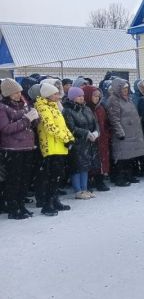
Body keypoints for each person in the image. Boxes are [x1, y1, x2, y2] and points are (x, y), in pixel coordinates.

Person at [0, 79, 39, 219]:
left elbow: (31, 125)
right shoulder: (2, 108)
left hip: (27, 147)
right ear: (7, 94)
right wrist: (26, 120)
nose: (18, 94)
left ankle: (21, 206)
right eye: (15, 92)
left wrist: (35, 118)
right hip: (12, 149)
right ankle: (13, 208)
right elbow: (6, 128)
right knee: (14, 180)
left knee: (24, 179)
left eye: (19, 91)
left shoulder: (24, 105)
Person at [35, 82, 74, 216]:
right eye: (55, 94)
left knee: (58, 176)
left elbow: (62, 125)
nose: (58, 96)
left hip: (59, 145)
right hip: (51, 147)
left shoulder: (55, 107)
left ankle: (55, 200)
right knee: (51, 176)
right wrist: (65, 138)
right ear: (48, 95)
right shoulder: (43, 107)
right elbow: (50, 127)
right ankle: (47, 204)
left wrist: (70, 137)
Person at [107, 78, 144, 186]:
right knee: (122, 158)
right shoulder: (114, 100)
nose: (126, 90)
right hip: (123, 133)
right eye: (123, 88)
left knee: (130, 156)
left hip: (132, 132)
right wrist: (120, 132)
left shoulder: (128, 98)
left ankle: (129, 175)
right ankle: (120, 178)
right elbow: (114, 118)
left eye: (127, 88)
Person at [62, 87, 100, 200]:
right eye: (78, 96)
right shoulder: (67, 110)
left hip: (88, 142)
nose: (81, 98)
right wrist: (86, 133)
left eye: (82, 96)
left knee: (85, 166)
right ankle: (78, 190)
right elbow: (71, 127)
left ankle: (85, 188)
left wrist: (96, 132)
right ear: (72, 97)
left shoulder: (86, 108)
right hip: (76, 143)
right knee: (77, 167)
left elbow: (94, 122)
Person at [82, 85, 111, 192]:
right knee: (89, 160)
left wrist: (106, 133)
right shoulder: (84, 108)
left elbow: (106, 122)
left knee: (101, 160)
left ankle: (100, 180)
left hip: (101, 137)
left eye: (98, 96)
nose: (97, 98)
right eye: (94, 96)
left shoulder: (100, 108)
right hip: (89, 138)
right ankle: (88, 181)